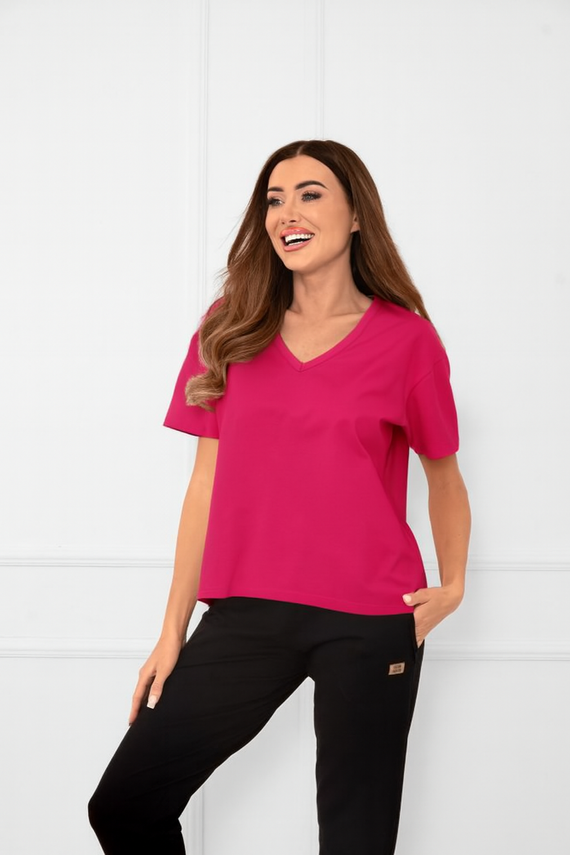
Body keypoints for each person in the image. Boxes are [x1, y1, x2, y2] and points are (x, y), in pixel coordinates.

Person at [88, 139, 471, 855]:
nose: (286, 212)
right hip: (248, 611)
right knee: (125, 804)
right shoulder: (231, 325)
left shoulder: (407, 341)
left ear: (357, 214)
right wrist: (172, 631)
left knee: (356, 840)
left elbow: (443, 475)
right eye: (274, 199)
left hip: (370, 616)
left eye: (310, 194)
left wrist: (452, 587)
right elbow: (204, 485)